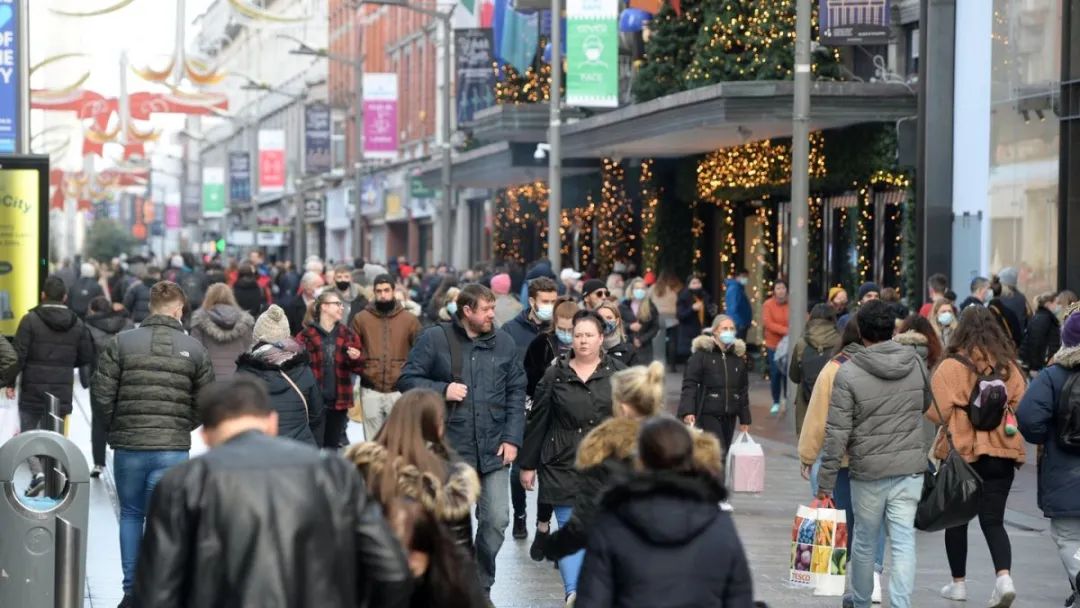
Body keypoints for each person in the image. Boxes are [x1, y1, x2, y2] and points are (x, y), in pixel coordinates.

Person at [134, 377, 411, 608]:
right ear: (272, 422)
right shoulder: (333, 472)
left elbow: (156, 592)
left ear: (205, 434)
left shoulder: (183, 483)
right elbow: (392, 569)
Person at [396, 283, 527, 596]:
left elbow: (516, 391)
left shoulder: (504, 343)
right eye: (485, 310)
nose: (491, 315)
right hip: (451, 448)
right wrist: (442, 389)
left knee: (496, 520)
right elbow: (407, 380)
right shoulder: (435, 338)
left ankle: (480, 582)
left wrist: (512, 438)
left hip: (495, 447)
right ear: (466, 311)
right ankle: (460, 585)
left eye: (492, 309)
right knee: (451, 524)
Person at [91, 280, 216, 606]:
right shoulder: (195, 349)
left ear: (150, 307)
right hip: (172, 449)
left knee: (131, 515)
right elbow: (206, 401)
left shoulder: (122, 343)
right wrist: (180, 426)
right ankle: (161, 592)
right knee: (167, 520)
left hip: (130, 449)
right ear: (179, 310)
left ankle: (131, 591)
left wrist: (120, 423)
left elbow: (101, 395)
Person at [817, 299, 930, 608]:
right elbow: (924, 403)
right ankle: (901, 604)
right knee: (904, 539)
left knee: (865, 541)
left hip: (868, 471)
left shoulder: (848, 373)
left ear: (861, 333)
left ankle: (863, 602)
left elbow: (836, 433)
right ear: (892, 329)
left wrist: (825, 483)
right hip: (909, 467)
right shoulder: (915, 362)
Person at [574, 417, 754, 607]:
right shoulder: (719, 526)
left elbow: (592, 600)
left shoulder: (612, 524)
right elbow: (739, 600)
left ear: (641, 459)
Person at [520, 310, 625, 607]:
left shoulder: (618, 373)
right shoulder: (555, 374)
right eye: (578, 335)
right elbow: (538, 420)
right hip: (561, 459)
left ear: (601, 338)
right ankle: (573, 592)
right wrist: (528, 465)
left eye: (589, 335)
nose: (582, 341)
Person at [927, 305, 1027, 607]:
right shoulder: (1008, 366)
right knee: (993, 521)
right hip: (1002, 451)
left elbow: (937, 412)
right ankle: (1003, 578)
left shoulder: (950, 366)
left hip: (962, 454)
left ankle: (958, 585)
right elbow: (1022, 399)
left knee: (956, 519)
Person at [798, 318, 886, 603]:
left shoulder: (834, 368)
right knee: (874, 518)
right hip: (879, 455)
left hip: (845, 459)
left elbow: (817, 415)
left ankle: (837, 574)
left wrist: (808, 454)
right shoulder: (886, 365)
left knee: (844, 516)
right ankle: (873, 576)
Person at [346, 389, 481, 548]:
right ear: (435, 425)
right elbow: (460, 552)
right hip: (436, 568)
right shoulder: (451, 482)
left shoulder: (360, 471)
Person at [1017, 311, 1080, 608]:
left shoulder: (1053, 376)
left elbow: (1029, 419)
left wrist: (1048, 437)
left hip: (1064, 471)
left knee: (1069, 538)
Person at [12, 275, 94, 496]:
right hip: (61, 390)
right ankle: (53, 482)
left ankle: (37, 473)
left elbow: (18, 354)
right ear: (65, 297)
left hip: (32, 388)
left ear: (43, 295)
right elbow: (85, 355)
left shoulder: (29, 320)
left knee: (28, 434)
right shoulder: (77, 323)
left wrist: (9, 381)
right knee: (54, 436)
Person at [236, 305, 323, 446]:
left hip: (259, 453)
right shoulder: (303, 371)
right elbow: (316, 416)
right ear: (286, 335)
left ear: (257, 336)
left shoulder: (244, 374)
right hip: (300, 451)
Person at [350, 273, 422, 440]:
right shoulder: (361, 319)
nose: (383, 295)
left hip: (399, 388)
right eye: (379, 291)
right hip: (370, 387)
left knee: (398, 439)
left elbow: (420, 351)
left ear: (393, 291)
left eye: (386, 290)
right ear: (374, 292)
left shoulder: (409, 320)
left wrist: (409, 373)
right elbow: (353, 348)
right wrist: (360, 363)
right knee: (372, 441)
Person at [295, 290, 365, 449]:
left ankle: (329, 474)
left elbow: (360, 367)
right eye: (337, 304)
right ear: (324, 307)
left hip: (339, 401)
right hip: (313, 401)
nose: (342, 308)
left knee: (332, 446)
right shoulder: (306, 335)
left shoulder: (348, 334)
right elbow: (297, 366)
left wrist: (356, 358)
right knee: (314, 446)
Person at [677, 314, 750, 449]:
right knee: (718, 451)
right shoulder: (701, 356)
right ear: (715, 331)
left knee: (724, 451)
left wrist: (745, 418)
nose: (729, 332)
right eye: (724, 328)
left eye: (731, 329)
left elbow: (742, 390)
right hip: (707, 412)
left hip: (729, 415)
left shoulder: (737, 359)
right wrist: (688, 411)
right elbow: (690, 383)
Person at [84, 296, 134, 478]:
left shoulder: (88, 327)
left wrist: (85, 378)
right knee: (123, 419)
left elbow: (87, 355)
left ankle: (98, 462)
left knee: (98, 421)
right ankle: (123, 459)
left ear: (93, 310)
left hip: (99, 378)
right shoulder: (127, 324)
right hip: (124, 378)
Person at [788, 304, 841, 436]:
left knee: (810, 451)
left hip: (807, 407)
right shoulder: (841, 343)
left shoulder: (802, 344)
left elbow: (794, 376)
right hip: (835, 407)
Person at [189, 284, 254, 382]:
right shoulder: (245, 322)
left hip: (209, 379)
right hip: (238, 379)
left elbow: (194, 352)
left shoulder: (199, 321)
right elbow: (250, 351)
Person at [503, 276, 558, 362]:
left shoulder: (560, 330)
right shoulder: (510, 330)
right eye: (545, 302)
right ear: (532, 302)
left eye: (553, 302)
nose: (550, 306)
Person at [762, 280, 790, 416]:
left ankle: (787, 400)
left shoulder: (792, 303)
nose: (780, 290)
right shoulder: (768, 304)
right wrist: (787, 330)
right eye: (778, 288)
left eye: (783, 287)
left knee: (788, 373)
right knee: (775, 374)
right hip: (774, 345)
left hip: (789, 345)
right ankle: (776, 401)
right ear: (774, 290)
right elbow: (768, 323)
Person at [619, 278, 660, 363]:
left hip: (645, 349)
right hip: (627, 346)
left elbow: (655, 327)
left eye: (642, 288)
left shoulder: (650, 306)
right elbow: (618, 324)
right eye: (637, 288)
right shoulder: (623, 306)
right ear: (632, 290)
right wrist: (629, 326)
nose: (640, 291)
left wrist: (642, 340)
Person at [675, 275, 712, 365]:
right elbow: (680, 315)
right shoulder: (683, 297)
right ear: (688, 285)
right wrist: (692, 309)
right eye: (694, 283)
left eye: (698, 282)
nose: (696, 285)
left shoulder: (705, 296)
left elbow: (709, 314)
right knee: (691, 360)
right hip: (688, 332)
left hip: (702, 330)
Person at [1021, 292, 1062, 373]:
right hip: (1040, 366)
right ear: (1048, 304)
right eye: (1057, 303)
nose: (1059, 306)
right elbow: (1035, 342)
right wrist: (1034, 367)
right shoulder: (1044, 318)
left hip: (1044, 364)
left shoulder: (1045, 317)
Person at [596, 301, 638, 367]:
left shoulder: (628, 350)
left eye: (609, 318)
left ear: (617, 321)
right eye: (600, 318)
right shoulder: (589, 348)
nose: (604, 321)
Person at [285, 271, 324, 336]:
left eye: (322, 286)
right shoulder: (292, 305)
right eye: (318, 286)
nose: (321, 290)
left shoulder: (324, 303)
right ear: (307, 287)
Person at [997, 267, 1032, 335]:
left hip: (1004, 339)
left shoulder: (1000, 299)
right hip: (1018, 339)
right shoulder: (1021, 297)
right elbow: (1028, 319)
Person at [723, 269, 753, 341]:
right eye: (743, 276)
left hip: (740, 323)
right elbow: (733, 308)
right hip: (738, 324)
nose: (745, 279)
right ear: (737, 277)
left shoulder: (738, 288)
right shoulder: (735, 289)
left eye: (746, 276)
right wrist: (738, 324)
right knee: (738, 348)